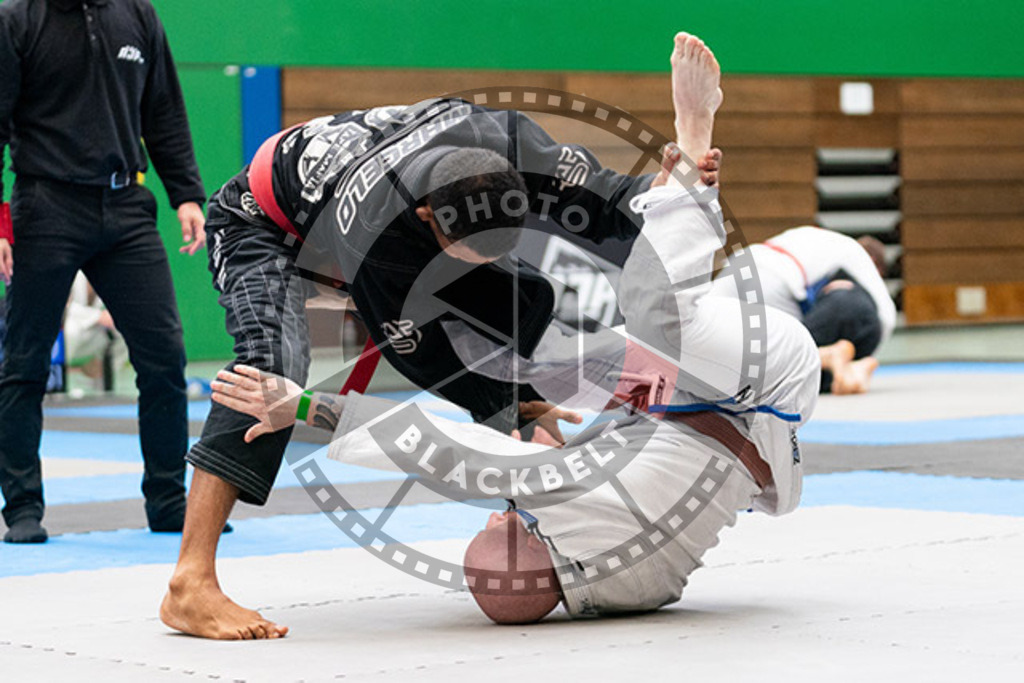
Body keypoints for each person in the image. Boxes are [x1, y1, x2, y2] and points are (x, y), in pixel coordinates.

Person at [167, 32, 819, 637]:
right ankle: (191, 579)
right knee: (271, 369)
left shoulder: (518, 145)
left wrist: (669, 185)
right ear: (427, 220)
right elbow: (416, 353)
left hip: (387, 210)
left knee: (525, 298)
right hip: (265, 222)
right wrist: (501, 406)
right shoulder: (380, 234)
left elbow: (607, 201)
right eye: (462, 251)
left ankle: (560, 373)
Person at [0, 0, 207, 543]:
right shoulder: (16, 19)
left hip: (126, 210)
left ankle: (168, 502)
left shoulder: (137, 14)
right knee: (22, 366)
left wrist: (186, 194)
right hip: (44, 208)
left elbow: (164, 110)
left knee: (165, 360)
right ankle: (22, 508)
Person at [711, 226, 896, 394]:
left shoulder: (819, 242)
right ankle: (827, 359)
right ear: (874, 263)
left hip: (735, 269)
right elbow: (886, 316)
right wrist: (866, 355)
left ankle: (835, 366)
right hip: (774, 283)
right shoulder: (858, 256)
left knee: (723, 361)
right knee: (784, 375)